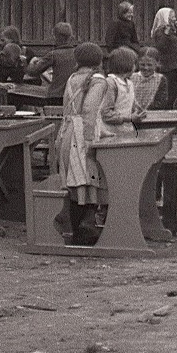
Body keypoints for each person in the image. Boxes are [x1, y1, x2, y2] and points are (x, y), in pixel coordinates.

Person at [51, 42, 111, 243]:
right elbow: (89, 111)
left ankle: (79, 228)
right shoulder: (98, 81)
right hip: (81, 135)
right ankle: (83, 232)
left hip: (67, 132)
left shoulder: (72, 77)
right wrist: (90, 141)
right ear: (99, 61)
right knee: (86, 180)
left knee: (77, 183)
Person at [100, 46, 146, 138]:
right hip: (111, 132)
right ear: (127, 64)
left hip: (127, 131)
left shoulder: (129, 83)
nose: (135, 67)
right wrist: (128, 118)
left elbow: (129, 105)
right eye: (134, 64)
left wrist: (138, 111)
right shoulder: (111, 83)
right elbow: (106, 113)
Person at [28, 23, 78, 102]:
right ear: (70, 37)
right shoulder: (78, 53)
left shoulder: (53, 55)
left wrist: (32, 62)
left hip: (56, 95)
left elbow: (33, 72)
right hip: (74, 95)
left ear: (55, 37)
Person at [151, 7, 177, 111]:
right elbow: (161, 46)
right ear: (165, 17)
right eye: (171, 17)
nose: (174, 19)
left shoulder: (172, 30)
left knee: (173, 89)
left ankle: (170, 107)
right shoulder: (159, 31)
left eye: (174, 17)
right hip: (166, 65)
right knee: (167, 89)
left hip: (175, 64)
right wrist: (166, 33)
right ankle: (164, 109)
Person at [131, 44, 167, 112]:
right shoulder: (132, 78)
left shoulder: (161, 79)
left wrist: (146, 111)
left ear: (157, 64)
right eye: (142, 65)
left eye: (149, 65)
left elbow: (161, 101)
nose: (146, 68)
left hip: (153, 114)